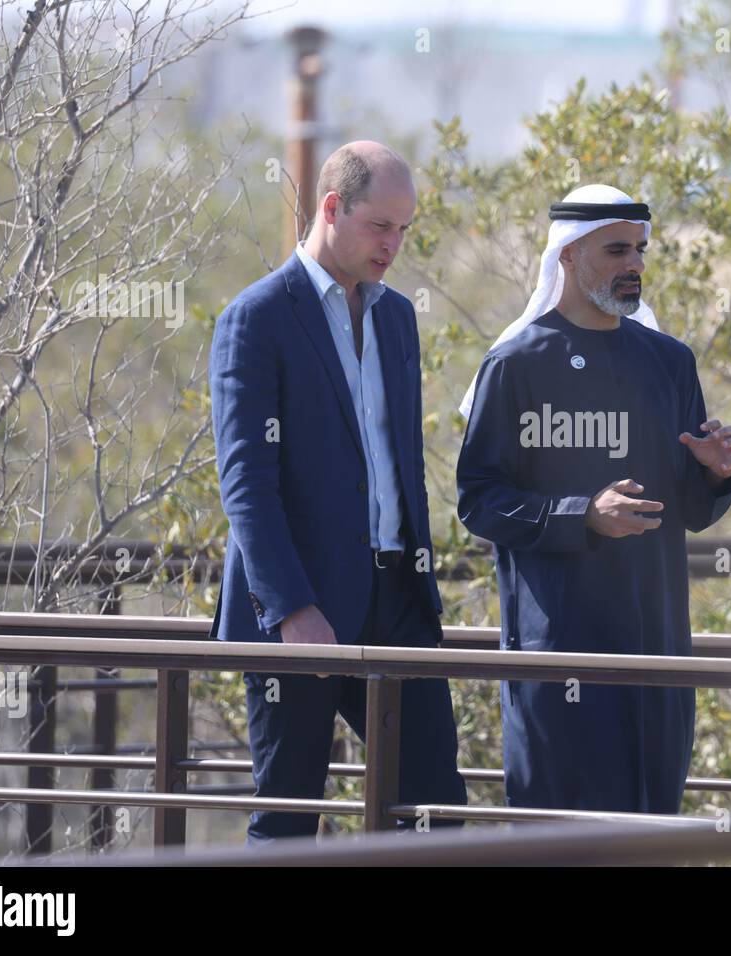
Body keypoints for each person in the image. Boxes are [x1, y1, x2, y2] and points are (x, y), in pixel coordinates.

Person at [209, 141, 466, 843]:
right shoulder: (257, 318)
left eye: (405, 229)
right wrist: (292, 608)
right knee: (289, 814)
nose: (395, 244)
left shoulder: (396, 319)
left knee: (435, 808)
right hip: (300, 607)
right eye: (381, 226)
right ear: (331, 208)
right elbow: (246, 483)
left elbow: (398, 465)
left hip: (397, 599)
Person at [456, 183, 731, 814]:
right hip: (560, 654)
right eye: (617, 250)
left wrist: (717, 476)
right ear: (567, 255)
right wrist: (581, 515)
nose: (635, 264)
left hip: (658, 654)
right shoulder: (514, 366)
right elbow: (479, 501)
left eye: (640, 249)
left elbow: (691, 512)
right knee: (561, 843)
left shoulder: (669, 363)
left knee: (648, 839)